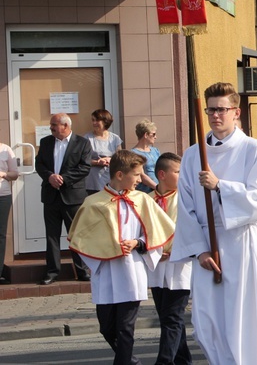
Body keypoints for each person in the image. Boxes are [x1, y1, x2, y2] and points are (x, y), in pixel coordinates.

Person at [171, 82, 257, 364]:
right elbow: (184, 208)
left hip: (240, 242)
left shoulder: (252, 150)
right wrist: (200, 251)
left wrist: (222, 187)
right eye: (211, 110)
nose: (216, 116)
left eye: (222, 109)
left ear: (237, 112)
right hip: (207, 247)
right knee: (207, 321)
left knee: (243, 319)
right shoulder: (193, 155)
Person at [67, 150, 174, 365]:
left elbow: (158, 230)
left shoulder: (142, 199)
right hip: (105, 272)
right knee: (106, 328)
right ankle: (132, 362)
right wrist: (104, 250)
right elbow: (81, 238)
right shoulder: (93, 202)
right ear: (119, 175)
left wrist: (138, 243)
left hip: (131, 270)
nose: (141, 179)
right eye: (136, 174)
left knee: (125, 328)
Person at [35, 113, 92, 285]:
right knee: (52, 235)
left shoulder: (82, 143)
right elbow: (39, 164)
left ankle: (82, 271)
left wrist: (64, 179)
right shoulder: (46, 142)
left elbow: (84, 167)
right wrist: (50, 177)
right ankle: (52, 271)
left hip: (72, 197)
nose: (51, 127)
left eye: (54, 124)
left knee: (76, 234)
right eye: (51, 124)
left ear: (65, 126)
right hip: (51, 196)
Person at [148, 153, 192, 365]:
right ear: (162, 175)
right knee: (169, 318)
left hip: (179, 264)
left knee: (172, 317)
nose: (181, 176)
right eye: (177, 172)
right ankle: (183, 360)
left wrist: (175, 249)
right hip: (157, 266)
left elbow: (190, 227)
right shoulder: (148, 200)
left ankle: (164, 362)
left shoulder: (185, 197)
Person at [84, 109, 122, 194]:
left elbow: (120, 159)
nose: (94, 123)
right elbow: (83, 160)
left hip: (111, 179)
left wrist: (110, 160)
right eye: (93, 120)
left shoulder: (115, 139)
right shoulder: (87, 138)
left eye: (97, 120)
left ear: (105, 121)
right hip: (93, 181)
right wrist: (97, 162)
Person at [0, 142, 18, 284]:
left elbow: (15, 174)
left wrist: (4, 174)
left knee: (1, 235)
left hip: (3, 196)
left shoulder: (5, 149)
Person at [131, 119, 160, 193]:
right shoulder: (134, 153)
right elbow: (142, 175)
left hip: (158, 190)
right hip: (145, 192)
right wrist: (158, 188)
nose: (155, 137)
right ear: (146, 135)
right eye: (153, 134)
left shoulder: (155, 151)